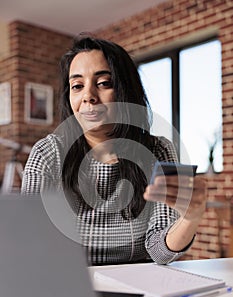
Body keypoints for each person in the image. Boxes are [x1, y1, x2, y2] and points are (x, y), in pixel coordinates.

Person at [21, 33, 207, 266]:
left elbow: (159, 251)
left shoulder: (158, 150)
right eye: (77, 86)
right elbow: (29, 244)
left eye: (103, 83)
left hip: (140, 284)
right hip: (70, 284)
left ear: (125, 90)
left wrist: (190, 218)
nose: (88, 96)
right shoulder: (48, 154)